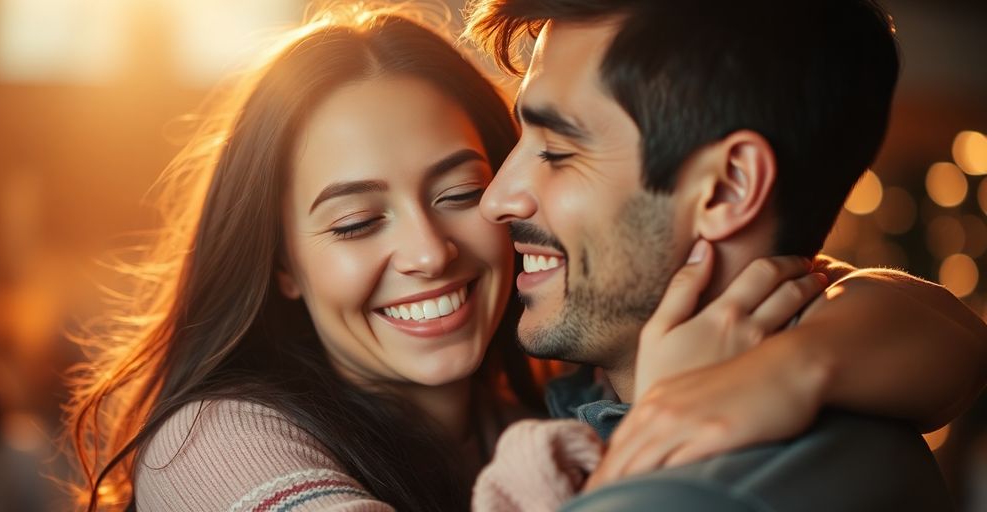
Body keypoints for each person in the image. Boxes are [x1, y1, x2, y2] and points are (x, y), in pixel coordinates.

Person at [65, 3, 985, 512]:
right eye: (354, 225)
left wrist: (794, 366)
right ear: (281, 264)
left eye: (460, 190)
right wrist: (656, 435)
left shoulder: (555, 382)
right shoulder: (217, 442)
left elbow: (946, 335)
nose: (428, 250)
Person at [463, 0, 987, 510]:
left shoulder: (697, 492)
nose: (497, 198)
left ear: (727, 188)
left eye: (558, 151)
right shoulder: (843, 352)